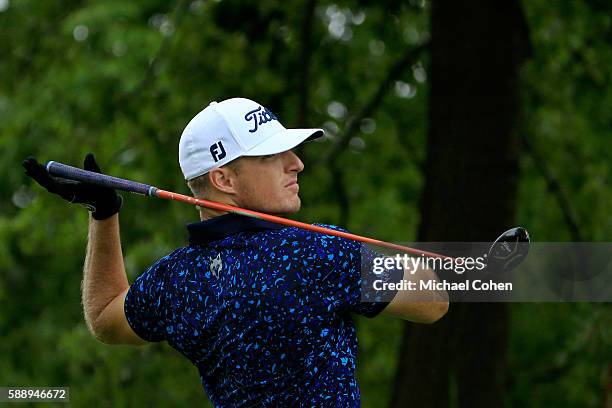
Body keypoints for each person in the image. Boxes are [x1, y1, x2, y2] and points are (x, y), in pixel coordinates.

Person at [23, 97, 448, 407]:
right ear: (224, 179)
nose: (296, 163)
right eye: (273, 155)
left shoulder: (177, 280)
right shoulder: (316, 250)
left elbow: (104, 318)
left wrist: (104, 214)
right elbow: (432, 303)